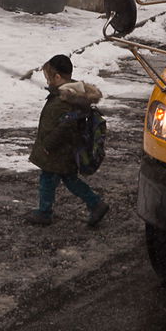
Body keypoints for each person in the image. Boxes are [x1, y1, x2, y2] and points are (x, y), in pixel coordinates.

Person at [27, 54, 109, 227]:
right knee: (69, 180)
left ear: (57, 77)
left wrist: (48, 145)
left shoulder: (66, 100)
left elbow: (64, 127)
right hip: (65, 149)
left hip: (59, 150)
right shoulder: (69, 94)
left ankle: (45, 212)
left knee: (48, 179)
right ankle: (95, 204)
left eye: (49, 77)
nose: (48, 81)